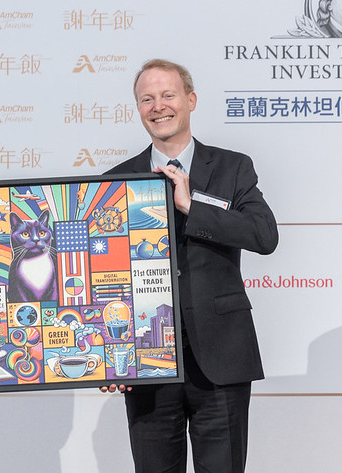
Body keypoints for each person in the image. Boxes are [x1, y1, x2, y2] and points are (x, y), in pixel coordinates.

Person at [101, 59, 278, 473]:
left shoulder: (232, 167)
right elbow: (104, 275)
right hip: (145, 362)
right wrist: (111, 355)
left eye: (167, 95)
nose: (158, 106)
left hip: (221, 358)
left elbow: (263, 236)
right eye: (147, 99)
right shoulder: (114, 180)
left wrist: (191, 206)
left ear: (190, 100)